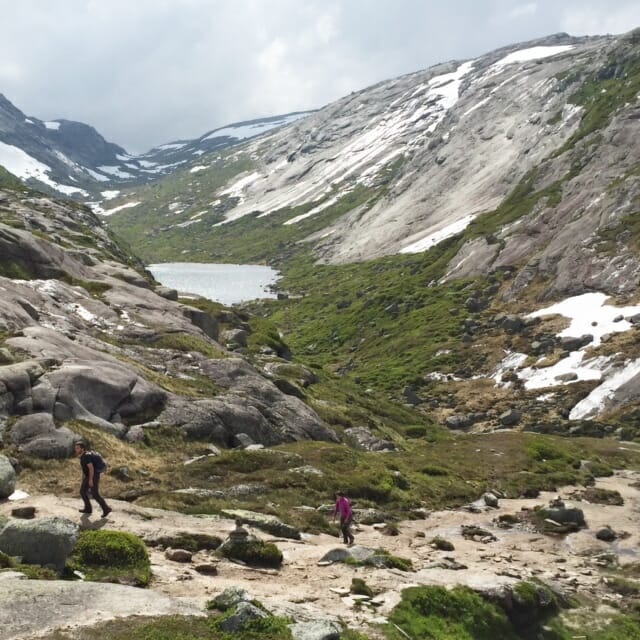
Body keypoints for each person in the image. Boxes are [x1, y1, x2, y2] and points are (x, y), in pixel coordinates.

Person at [74, 441, 112, 518]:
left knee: (95, 494)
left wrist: (90, 480)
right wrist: (84, 479)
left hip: (93, 475)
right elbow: (85, 470)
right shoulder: (83, 456)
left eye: (78, 448)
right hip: (89, 476)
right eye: (75, 448)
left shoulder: (86, 456)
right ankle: (88, 508)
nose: (76, 450)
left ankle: (106, 509)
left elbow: (91, 469)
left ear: (82, 449)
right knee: (82, 491)